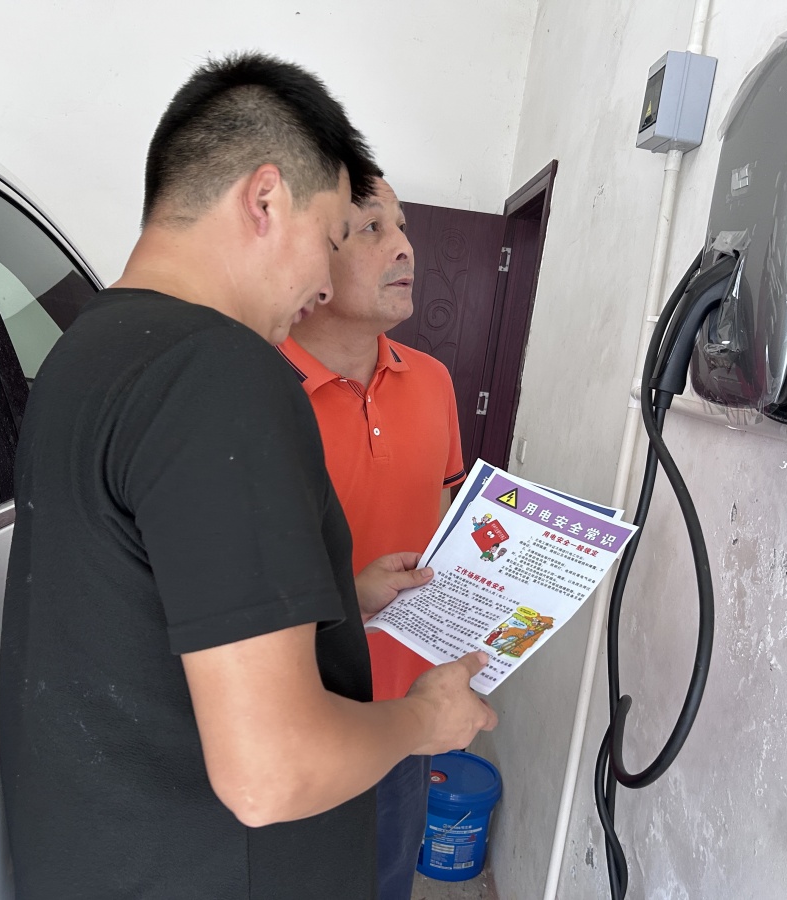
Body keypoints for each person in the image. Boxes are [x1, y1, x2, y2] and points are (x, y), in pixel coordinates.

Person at [0, 53, 496, 900]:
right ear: (265, 200)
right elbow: (270, 773)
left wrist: (344, 597)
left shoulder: (86, 350)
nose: (321, 285)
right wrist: (423, 719)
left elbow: (154, 605)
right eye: (332, 238)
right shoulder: (223, 373)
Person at [279, 176, 468, 899]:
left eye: (403, 227)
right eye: (371, 229)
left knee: (386, 882)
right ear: (314, 259)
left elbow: (446, 519)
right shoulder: (256, 391)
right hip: (295, 714)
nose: (404, 247)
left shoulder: (435, 382)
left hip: (405, 715)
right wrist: (345, 598)